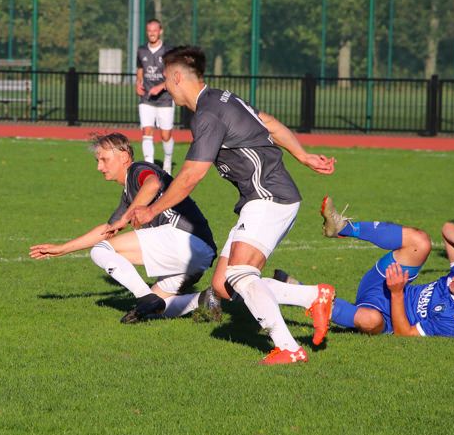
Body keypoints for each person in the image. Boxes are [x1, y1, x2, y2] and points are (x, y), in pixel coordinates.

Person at [119, 46, 338, 365]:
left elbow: (192, 174)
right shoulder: (222, 97)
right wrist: (303, 156)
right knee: (222, 285)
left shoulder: (207, 115)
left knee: (239, 274)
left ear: (177, 76)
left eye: (166, 78)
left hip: (269, 196)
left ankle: (289, 348)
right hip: (260, 198)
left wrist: (151, 210)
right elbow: (271, 123)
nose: (164, 85)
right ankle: (312, 296)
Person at [29, 133, 219, 324]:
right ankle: (204, 298)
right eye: (98, 161)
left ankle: (146, 298)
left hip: (186, 238)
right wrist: (62, 249)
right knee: (156, 309)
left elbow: (153, 184)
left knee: (101, 250)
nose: (99, 167)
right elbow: (107, 229)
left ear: (124, 157)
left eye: (104, 159)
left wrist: (126, 217)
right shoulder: (129, 193)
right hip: (200, 251)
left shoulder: (138, 169)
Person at [268, 197, 454, 337]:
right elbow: (448, 229)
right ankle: (343, 228)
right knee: (420, 241)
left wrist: (398, 292)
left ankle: (296, 290)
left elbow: (404, 334)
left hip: (385, 314)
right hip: (384, 281)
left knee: (371, 321)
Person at [136, 19, 176, 174]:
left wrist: (160, 87)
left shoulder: (168, 51)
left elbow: (173, 75)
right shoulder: (141, 50)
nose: (152, 33)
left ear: (161, 31)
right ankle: (149, 166)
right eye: (149, 30)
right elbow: (140, 68)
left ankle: (167, 161)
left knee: (166, 135)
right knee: (146, 131)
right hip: (146, 99)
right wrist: (138, 82)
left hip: (165, 99)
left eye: (155, 30)